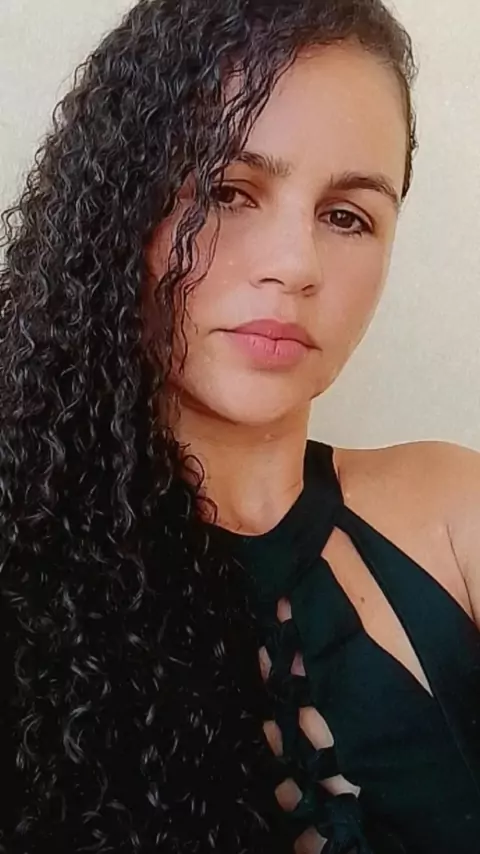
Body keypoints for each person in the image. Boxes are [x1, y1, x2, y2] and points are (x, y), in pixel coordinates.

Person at [1, 0, 480, 851]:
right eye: (227, 190)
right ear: (117, 209)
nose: (296, 265)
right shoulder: (25, 563)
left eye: (347, 215)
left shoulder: (456, 512)